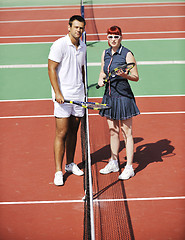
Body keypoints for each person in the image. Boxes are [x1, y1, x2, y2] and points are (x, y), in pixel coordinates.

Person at [48, 15, 86, 186]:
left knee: (73, 131)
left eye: (81, 28)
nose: (79, 30)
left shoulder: (83, 46)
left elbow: (81, 70)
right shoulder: (59, 45)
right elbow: (51, 68)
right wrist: (57, 92)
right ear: (69, 27)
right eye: (76, 27)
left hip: (78, 96)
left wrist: (84, 91)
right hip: (63, 97)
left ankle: (70, 164)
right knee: (61, 133)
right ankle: (58, 171)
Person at [98, 26, 140, 180]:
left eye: (116, 37)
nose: (113, 40)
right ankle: (114, 161)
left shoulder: (127, 54)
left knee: (126, 132)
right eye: (110, 37)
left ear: (121, 38)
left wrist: (124, 75)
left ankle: (129, 167)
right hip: (109, 96)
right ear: (107, 39)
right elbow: (103, 71)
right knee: (113, 131)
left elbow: (135, 76)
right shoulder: (105, 53)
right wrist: (101, 79)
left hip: (123, 97)